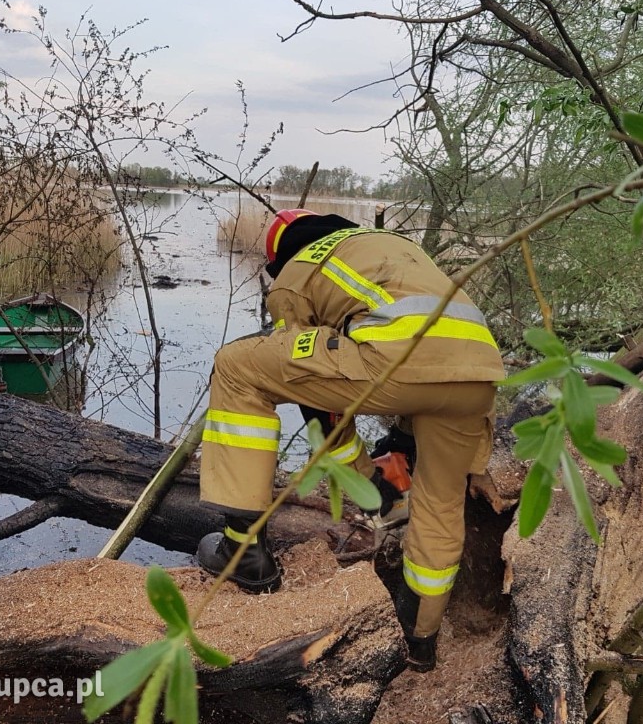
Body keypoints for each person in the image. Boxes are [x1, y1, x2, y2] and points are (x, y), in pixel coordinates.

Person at [197, 208, 504, 671]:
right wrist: (401, 448)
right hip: (479, 376)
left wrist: (361, 480)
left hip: (397, 363)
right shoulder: (392, 246)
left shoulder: (297, 272)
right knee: (441, 503)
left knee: (237, 367)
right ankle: (420, 640)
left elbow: (308, 389)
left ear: (280, 256)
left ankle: (243, 551)